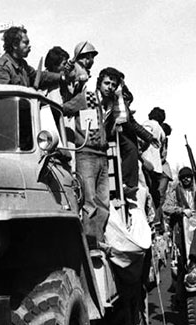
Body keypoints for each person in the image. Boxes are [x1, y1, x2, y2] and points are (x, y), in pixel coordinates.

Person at [62, 67, 114, 248]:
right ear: (99, 83)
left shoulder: (111, 105)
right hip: (86, 154)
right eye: (107, 83)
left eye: (113, 84)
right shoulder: (87, 97)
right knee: (89, 201)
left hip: (102, 155)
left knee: (104, 203)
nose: (109, 87)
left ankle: (98, 241)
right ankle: (90, 245)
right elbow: (64, 109)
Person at [0, 26, 64, 88]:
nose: (29, 46)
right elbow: (5, 98)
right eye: (25, 43)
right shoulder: (1, 69)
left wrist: (61, 77)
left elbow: (37, 77)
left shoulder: (22, 64)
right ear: (15, 45)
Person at [142, 107, 168, 226]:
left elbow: (144, 136)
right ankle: (156, 220)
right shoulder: (161, 130)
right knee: (154, 192)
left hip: (146, 161)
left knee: (146, 190)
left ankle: (150, 218)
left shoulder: (148, 124)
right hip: (157, 166)